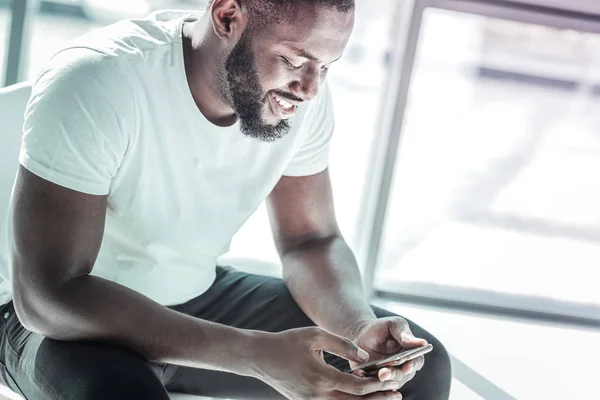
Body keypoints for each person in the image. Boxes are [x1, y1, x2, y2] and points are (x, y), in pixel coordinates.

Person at [0, 1, 451, 399]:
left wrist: (355, 328)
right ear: (227, 16)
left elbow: (310, 240)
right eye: (294, 59)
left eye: (326, 65)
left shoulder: (301, 97)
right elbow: (48, 295)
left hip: (193, 296)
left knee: (411, 377)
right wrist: (251, 353)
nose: (310, 88)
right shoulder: (100, 81)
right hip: (67, 322)